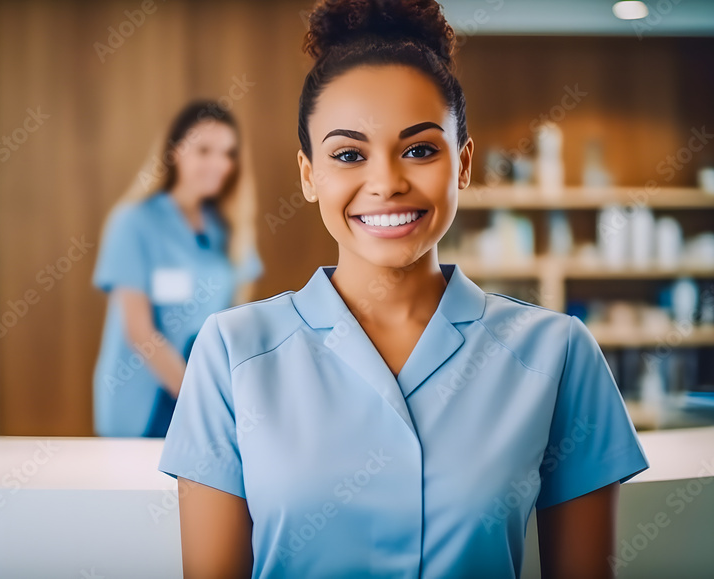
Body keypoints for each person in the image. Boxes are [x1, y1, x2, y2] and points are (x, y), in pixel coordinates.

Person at [157, 1, 649, 577]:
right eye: (348, 155)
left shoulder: (558, 353)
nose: (387, 182)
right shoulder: (231, 352)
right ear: (308, 175)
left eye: (419, 149)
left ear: (461, 165)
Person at [91, 100, 264, 438]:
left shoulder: (230, 230)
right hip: (150, 395)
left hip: (205, 388)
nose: (219, 163)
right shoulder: (134, 222)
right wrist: (198, 399)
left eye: (228, 153)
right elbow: (139, 331)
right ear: (174, 152)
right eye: (204, 150)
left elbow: (236, 321)